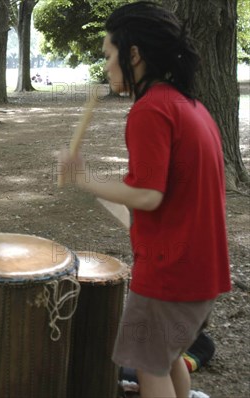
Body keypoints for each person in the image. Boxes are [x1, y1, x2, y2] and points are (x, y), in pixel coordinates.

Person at [55, 2, 231, 397]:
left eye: (108, 55)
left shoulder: (151, 110)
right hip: (200, 270)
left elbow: (149, 196)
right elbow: (168, 195)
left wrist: (83, 178)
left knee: (149, 369)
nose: (106, 66)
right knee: (165, 360)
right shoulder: (191, 106)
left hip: (171, 273)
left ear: (133, 54)